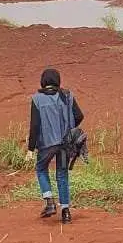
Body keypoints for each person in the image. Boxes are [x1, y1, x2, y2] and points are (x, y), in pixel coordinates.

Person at [26, 69, 83, 223]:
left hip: (47, 144)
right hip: (66, 143)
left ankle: (49, 201)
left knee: (41, 168)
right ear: (58, 80)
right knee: (62, 175)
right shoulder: (67, 95)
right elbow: (79, 116)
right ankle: (66, 213)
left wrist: (30, 148)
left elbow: (35, 125)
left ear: (43, 81)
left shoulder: (37, 99)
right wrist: (70, 127)